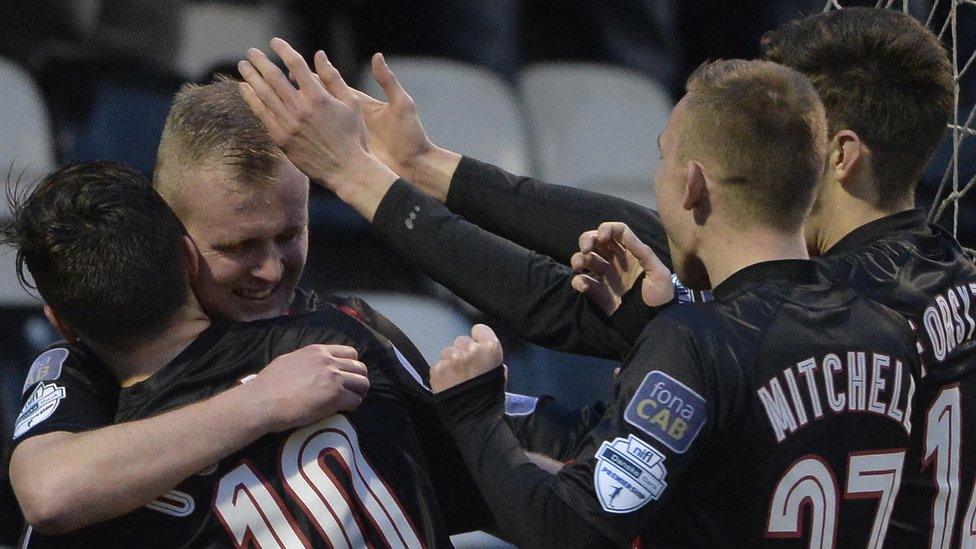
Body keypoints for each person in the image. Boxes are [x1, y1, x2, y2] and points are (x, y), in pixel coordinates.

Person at [238, 36, 924, 545]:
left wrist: (473, 411)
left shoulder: (700, 343)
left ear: (691, 184)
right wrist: (417, 165)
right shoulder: (884, 324)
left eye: (660, 158)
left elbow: (569, 529)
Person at [6, 79, 496, 539]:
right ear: (183, 248)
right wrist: (260, 402)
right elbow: (48, 492)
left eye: (289, 235)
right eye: (239, 246)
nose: (270, 270)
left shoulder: (342, 331)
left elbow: (495, 485)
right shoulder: (88, 374)